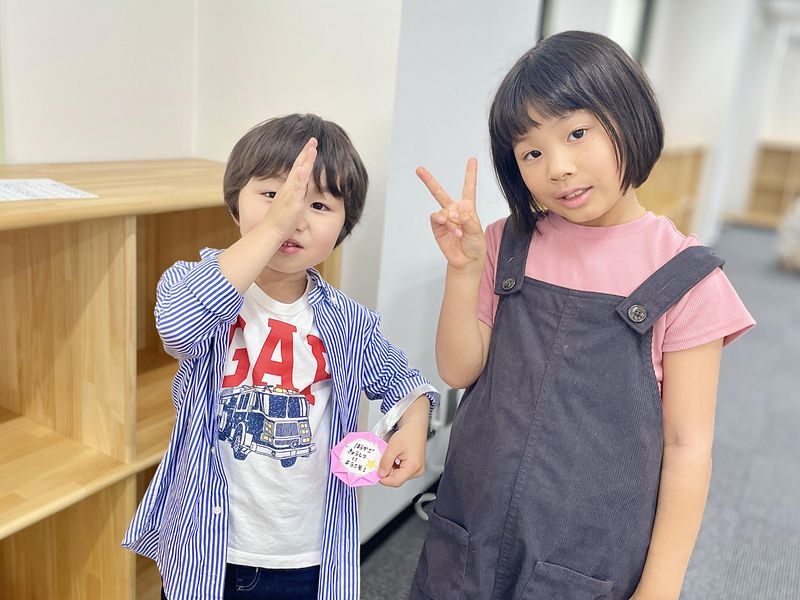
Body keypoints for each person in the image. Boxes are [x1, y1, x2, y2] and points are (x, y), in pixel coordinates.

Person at [411, 31, 754, 600]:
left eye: (576, 133)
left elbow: (688, 446)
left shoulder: (686, 277)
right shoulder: (505, 243)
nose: (559, 168)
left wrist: (661, 586)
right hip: (472, 525)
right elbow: (458, 370)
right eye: (531, 153)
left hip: (587, 558)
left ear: (630, 117)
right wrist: (463, 272)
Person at [122, 113, 438, 600]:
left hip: (306, 558)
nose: (293, 217)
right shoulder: (194, 283)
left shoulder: (348, 321)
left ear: (343, 226)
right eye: (274, 195)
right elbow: (178, 329)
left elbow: (403, 381)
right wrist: (269, 231)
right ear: (235, 202)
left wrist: (414, 423)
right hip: (204, 548)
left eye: (318, 204)